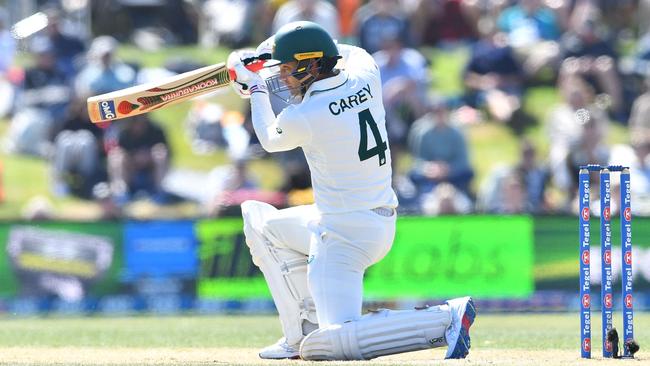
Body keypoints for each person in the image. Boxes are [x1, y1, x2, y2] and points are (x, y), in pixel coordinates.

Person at [227, 21, 475, 361]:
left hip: (345, 235)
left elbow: (269, 139)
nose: (282, 77)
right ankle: (298, 334)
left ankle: (443, 319)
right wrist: (274, 47)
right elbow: (348, 49)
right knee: (263, 225)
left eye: (287, 68)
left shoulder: (308, 114)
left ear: (312, 65)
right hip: (359, 221)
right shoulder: (366, 74)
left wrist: (254, 88)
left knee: (327, 346)